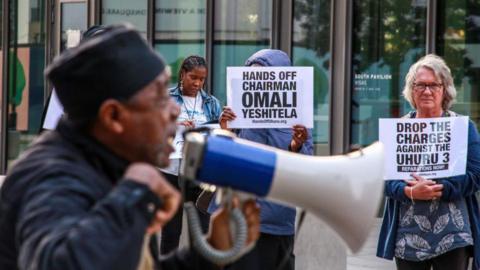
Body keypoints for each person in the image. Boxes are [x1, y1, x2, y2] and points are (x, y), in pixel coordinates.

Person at [0, 24, 260, 270]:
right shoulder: (53, 177)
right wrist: (133, 190)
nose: (173, 110)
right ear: (113, 116)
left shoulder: (108, 168)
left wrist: (210, 251)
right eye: (159, 98)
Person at [377, 54, 480, 270]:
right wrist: (411, 192)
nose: (426, 91)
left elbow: (476, 175)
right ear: (411, 90)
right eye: (420, 85)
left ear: (445, 90)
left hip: (453, 235)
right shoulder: (398, 129)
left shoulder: (462, 127)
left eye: (433, 85)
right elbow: (382, 179)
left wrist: (439, 188)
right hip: (407, 237)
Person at [218, 49, 314, 270]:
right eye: (252, 76)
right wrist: (226, 132)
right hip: (242, 217)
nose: (258, 82)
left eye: (263, 75)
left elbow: (306, 167)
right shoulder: (238, 114)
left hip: (278, 220)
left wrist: (295, 145)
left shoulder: (297, 119)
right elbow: (227, 163)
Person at [161, 55, 221, 255]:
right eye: (193, 77)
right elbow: (153, 128)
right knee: (171, 231)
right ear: (182, 74)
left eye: (202, 79)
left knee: (202, 232)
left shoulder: (212, 103)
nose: (197, 83)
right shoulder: (166, 99)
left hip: (200, 174)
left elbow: (218, 135)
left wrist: (224, 125)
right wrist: (174, 125)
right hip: (170, 171)